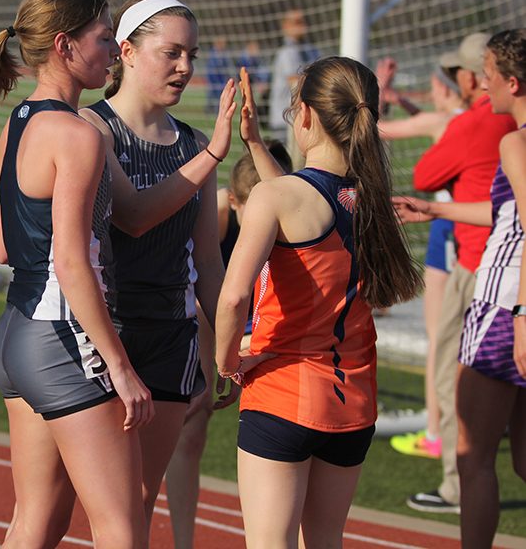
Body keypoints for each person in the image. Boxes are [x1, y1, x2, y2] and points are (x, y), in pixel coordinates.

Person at [81, 0, 271, 535]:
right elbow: (133, 218)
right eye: (172, 52)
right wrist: (212, 152)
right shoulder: (92, 130)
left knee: (139, 500)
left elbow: (209, 263)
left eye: (192, 53)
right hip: (102, 333)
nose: (186, 67)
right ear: (128, 52)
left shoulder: (190, 142)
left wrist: (229, 346)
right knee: (88, 504)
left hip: (169, 336)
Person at [215, 56, 421, 548]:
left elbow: (234, 297)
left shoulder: (279, 198)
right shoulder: (373, 197)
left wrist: (226, 363)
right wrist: (257, 146)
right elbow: (300, 199)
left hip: (283, 392)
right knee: (325, 541)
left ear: (305, 116)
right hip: (353, 403)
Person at [0, 0, 153, 549]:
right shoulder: (77, 135)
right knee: (121, 527)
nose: (112, 52)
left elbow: (4, 247)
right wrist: (120, 366)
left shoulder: (19, 123)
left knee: (38, 521)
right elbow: (72, 263)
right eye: (105, 38)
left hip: (16, 332)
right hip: (62, 335)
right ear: (65, 44)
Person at [394, 28, 526, 548]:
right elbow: (508, 212)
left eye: (489, 72)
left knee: (473, 457)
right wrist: (435, 208)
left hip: (501, 309)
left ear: (512, 81)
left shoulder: (514, 141)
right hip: (511, 309)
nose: (481, 83)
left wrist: (521, 315)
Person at [165, 129, 290, 549]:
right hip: (206, 320)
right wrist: (218, 358)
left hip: (261, 328)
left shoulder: (293, 203)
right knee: (190, 427)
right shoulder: (216, 212)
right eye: (252, 213)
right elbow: (197, 292)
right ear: (235, 202)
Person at [376, 56, 467, 460]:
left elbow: (379, 130)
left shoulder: (444, 122)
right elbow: (436, 122)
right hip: (472, 226)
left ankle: (435, 430)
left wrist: (375, 94)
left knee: (438, 337)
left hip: (449, 230)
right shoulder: (477, 118)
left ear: (445, 89)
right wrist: (409, 104)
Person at [268, 8, 319, 165]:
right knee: (285, 167)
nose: (302, 26)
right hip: (285, 120)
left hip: (302, 119)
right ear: (286, 26)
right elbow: (296, 81)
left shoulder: (310, 50)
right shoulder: (286, 53)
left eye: (304, 21)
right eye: (296, 22)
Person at [205, 36, 230, 113]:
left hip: (221, 80)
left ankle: (217, 111)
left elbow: (225, 66)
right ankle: (209, 110)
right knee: (212, 95)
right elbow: (211, 67)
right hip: (213, 78)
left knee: (219, 96)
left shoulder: (223, 54)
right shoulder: (213, 53)